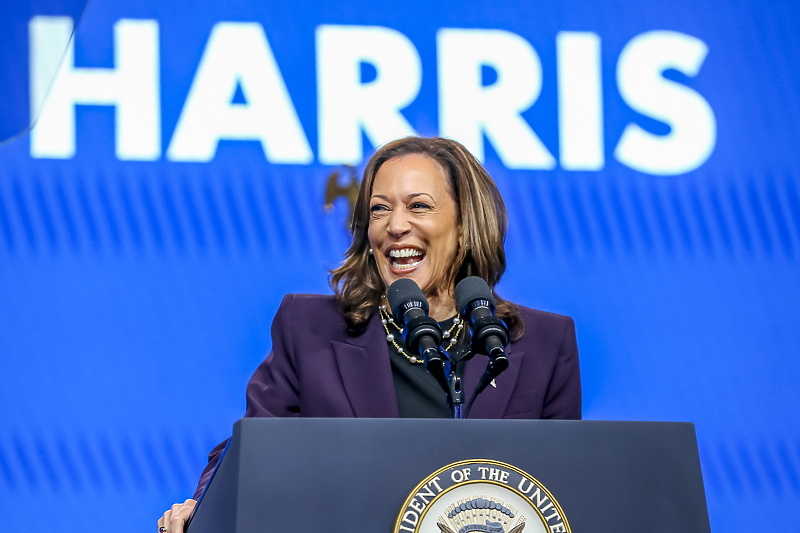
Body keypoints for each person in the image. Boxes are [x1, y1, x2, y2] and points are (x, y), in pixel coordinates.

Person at [157, 136, 581, 532]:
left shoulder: (542, 342)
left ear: (466, 224)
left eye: (418, 206)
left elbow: (565, 491)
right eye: (380, 209)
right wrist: (203, 504)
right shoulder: (309, 328)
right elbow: (253, 445)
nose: (395, 226)